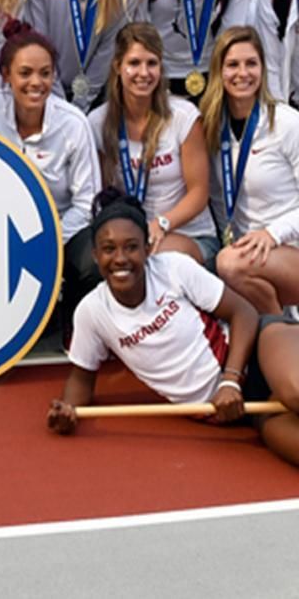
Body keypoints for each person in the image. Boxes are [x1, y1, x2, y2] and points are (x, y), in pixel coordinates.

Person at [48, 191, 299, 468]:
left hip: (257, 352)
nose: (120, 258)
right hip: (240, 408)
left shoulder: (174, 268)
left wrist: (230, 380)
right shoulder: (92, 311)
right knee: (284, 439)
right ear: (96, 256)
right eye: (109, 249)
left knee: (295, 391)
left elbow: (244, 312)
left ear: (147, 248)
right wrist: (68, 410)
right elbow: (82, 379)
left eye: (131, 247)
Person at [0, 22, 103, 326]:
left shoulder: (73, 123)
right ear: (6, 75)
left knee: (92, 259)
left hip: (58, 231)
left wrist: (46, 237)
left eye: (45, 73)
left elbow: (88, 203)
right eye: (25, 73)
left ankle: (74, 329)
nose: (36, 82)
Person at [88, 23, 218, 265]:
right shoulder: (97, 122)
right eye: (134, 63)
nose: (144, 73)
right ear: (118, 66)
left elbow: (199, 193)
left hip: (188, 234)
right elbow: (102, 191)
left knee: (153, 260)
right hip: (130, 238)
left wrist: (161, 223)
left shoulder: (183, 116)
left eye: (152, 63)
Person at [199, 26, 299, 315]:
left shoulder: (286, 123)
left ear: (263, 69)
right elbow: (218, 200)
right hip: (245, 253)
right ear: (219, 71)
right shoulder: (211, 127)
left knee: (228, 264)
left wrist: (273, 233)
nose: (242, 73)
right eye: (232, 65)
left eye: (251, 63)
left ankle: (277, 328)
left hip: (286, 245)